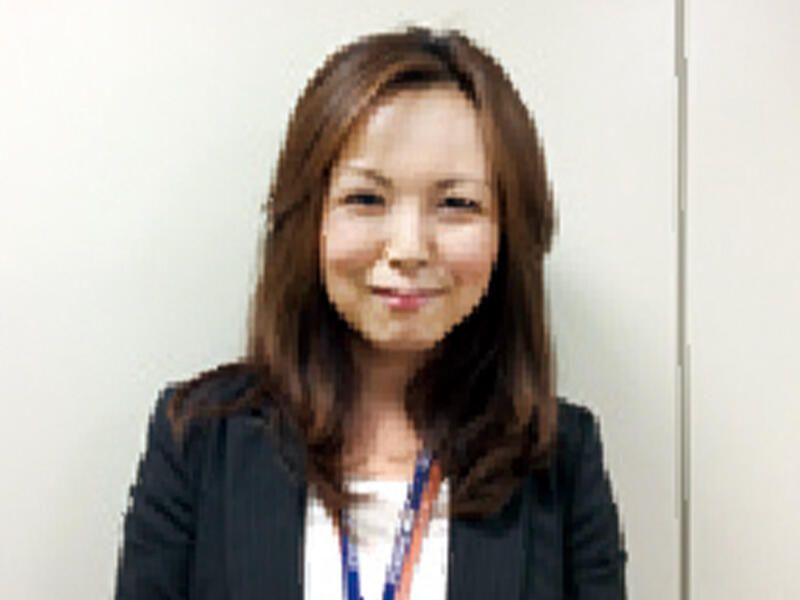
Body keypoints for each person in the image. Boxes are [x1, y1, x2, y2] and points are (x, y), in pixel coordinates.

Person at [115, 26, 627, 600]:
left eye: (456, 203)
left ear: (508, 234)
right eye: (366, 199)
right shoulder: (196, 440)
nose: (408, 248)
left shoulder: (561, 459)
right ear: (310, 219)